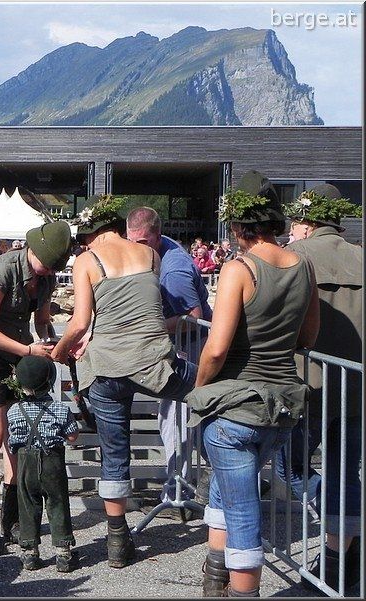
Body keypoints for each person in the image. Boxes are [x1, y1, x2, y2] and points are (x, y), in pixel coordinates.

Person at [183, 171, 319, 597]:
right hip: (282, 409)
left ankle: (242, 592)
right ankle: (215, 577)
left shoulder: (238, 268)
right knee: (226, 489)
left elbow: (216, 349)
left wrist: (198, 390)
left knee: (243, 510)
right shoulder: (304, 267)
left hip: (236, 408)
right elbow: (308, 337)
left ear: (237, 224)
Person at [50, 194, 198, 569]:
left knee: (114, 455)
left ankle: (118, 541)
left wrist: (60, 351)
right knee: (210, 390)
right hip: (154, 364)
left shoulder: (87, 261)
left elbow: (80, 322)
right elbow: (148, 306)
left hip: (105, 369)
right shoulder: (150, 255)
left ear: (92, 235)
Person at [0, 220, 72, 556]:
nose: (47, 271)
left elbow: (41, 321)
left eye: (53, 267)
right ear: (32, 249)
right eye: (45, 264)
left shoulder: (46, 278)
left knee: (17, 435)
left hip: (18, 350)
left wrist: (53, 343)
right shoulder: (3, 269)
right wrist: (28, 351)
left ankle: (13, 516)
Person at [275, 183, 362, 592]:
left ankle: (337, 547)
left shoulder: (296, 257)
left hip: (307, 382)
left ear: (306, 223)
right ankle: (346, 547)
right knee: (346, 472)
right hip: (357, 384)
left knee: (289, 466)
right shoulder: (360, 256)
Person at [126, 206, 214, 519]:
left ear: (158, 236)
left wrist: (145, 327)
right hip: (177, 347)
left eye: (143, 242)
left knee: (176, 420)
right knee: (183, 420)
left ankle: (177, 495)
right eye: (132, 242)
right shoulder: (155, 254)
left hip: (188, 349)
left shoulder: (173, 269)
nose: (136, 249)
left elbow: (193, 317)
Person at [7, 356, 80, 572]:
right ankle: (63, 554)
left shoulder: (14, 411)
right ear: (50, 382)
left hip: (25, 464)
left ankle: (30, 553)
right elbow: (72, 436)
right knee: (57, 503)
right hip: (52, 463)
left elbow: (12, 440)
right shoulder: (60, 409)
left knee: (27, 506)